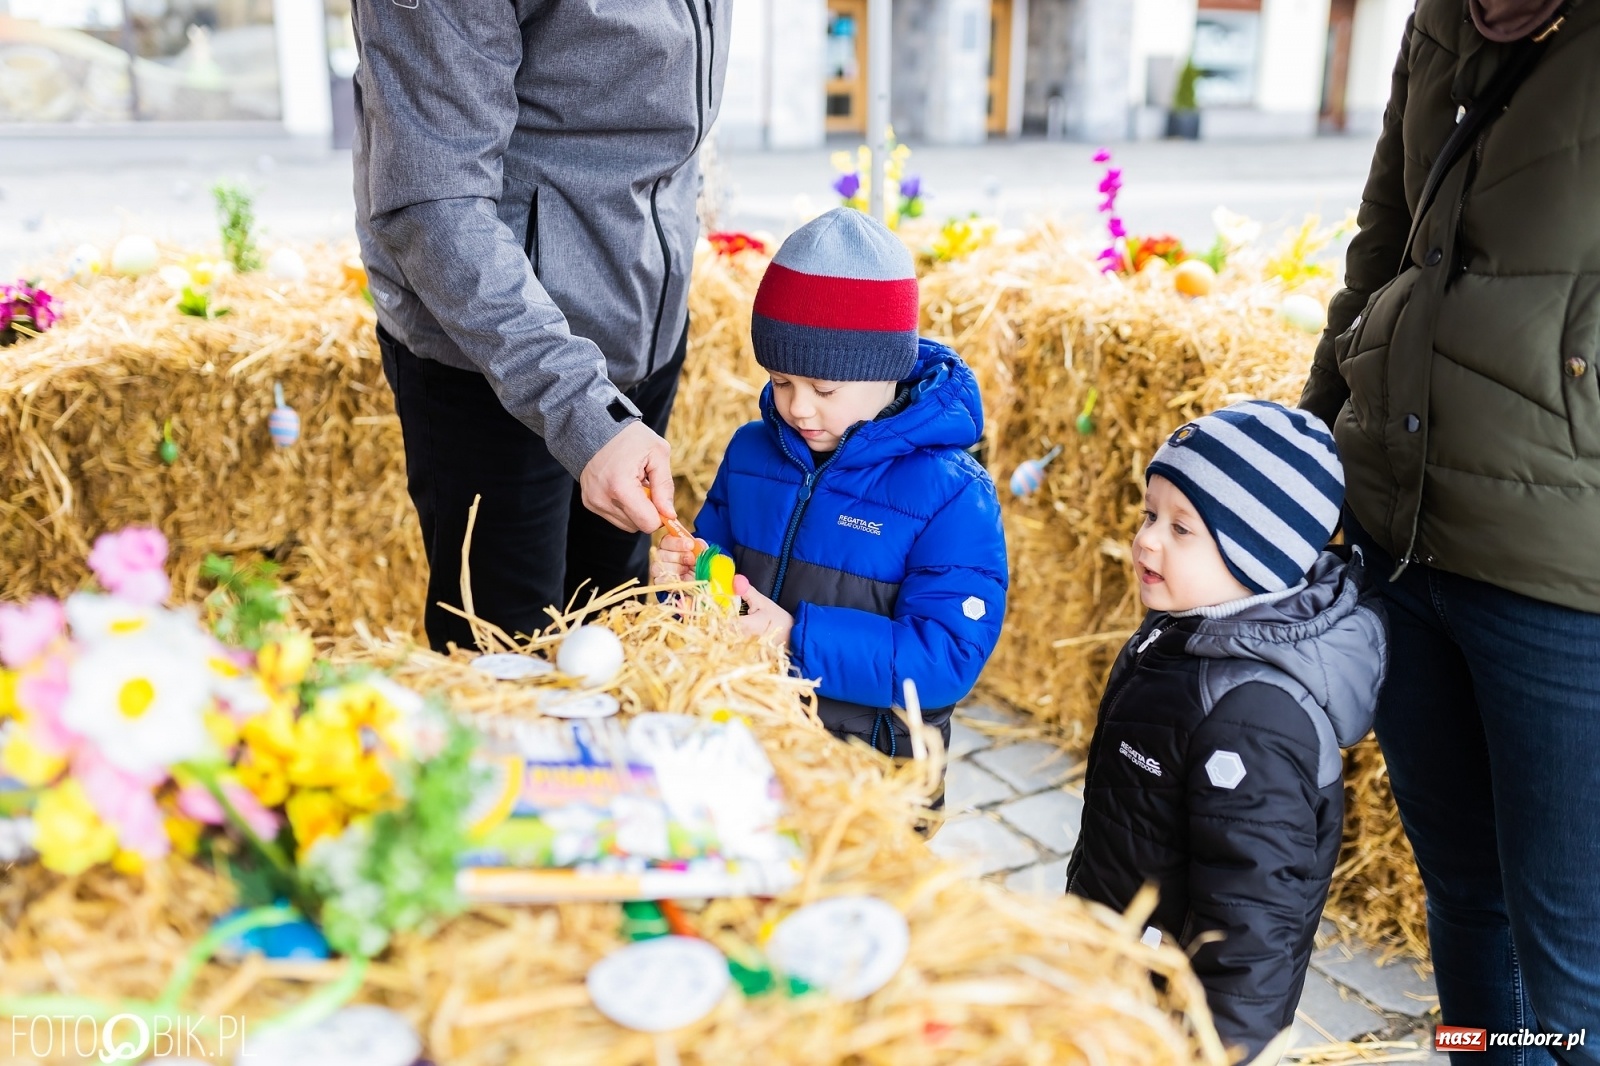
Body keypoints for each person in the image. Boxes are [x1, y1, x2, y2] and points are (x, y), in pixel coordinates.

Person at [1299, 2, 1600, 1060]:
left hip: (1563, 575)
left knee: (1570, 949)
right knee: (1463, 891)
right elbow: (1381, 249)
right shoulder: (1440, 17)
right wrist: (1304, 455)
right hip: (1396, 531)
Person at [349, 0, 730, 650]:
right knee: (508, 658)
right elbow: (434, 202)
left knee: (611, 639)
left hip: (642, 336)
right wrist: (583, 410)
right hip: (496, 363)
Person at [1064, 402, 1386, 1065]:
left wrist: (1220, 1046)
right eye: (1150, 515)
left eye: (1182, 528)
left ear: (1258, 561)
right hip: (1122, 960)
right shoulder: (1190, 631)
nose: (1148, 540)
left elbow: (1254, 915)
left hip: (1179, 1012)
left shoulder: (1254, 717)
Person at [651, 208, 1008, 770]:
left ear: (889, 369)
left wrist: (795, 639)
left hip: (864, 775)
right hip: (745, 744)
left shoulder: (952, 495)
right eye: (781, 381)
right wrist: (684, 587)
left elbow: (946, 659)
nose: (797, 407)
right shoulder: (751, 453)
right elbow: (720, 582)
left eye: (825, 388)